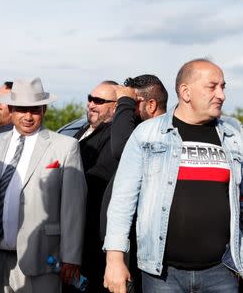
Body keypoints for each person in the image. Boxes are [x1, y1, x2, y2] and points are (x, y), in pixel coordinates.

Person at [104, 59, 243, 293]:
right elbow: (122, 199)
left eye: (223, 86)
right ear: (185, 92)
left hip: (222, 272)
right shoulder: (147, 134)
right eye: (212, 86)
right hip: (162, 276)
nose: (221, 95)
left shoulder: (234, 133)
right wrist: (114, 260)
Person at [0, 77, 87, 293]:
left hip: (41, 261)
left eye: (35, 110)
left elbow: (73, 207)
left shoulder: (65, 147)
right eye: (22, 109)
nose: (28, 116)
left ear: (44, 110)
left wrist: (71, 257)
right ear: (11, 110)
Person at [99, 75, 168, 292]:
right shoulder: (139, 132)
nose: (127, 111)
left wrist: (124, 103)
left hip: (141, 251)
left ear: (151, 104)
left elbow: (121, 148)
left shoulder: (161, 135)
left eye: (132, 103)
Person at [69, 81, 118, 293]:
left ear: (115, 107)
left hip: (93, 234)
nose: (91, 104)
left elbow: (97, 178)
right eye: (90, 98)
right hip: (72, 230)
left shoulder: (113, 135)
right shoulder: (82, 129)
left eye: (99, 101)